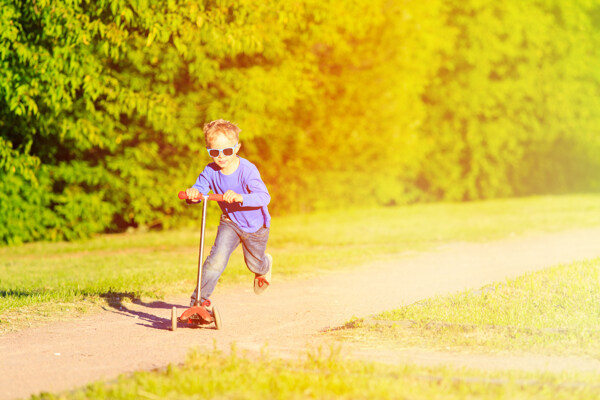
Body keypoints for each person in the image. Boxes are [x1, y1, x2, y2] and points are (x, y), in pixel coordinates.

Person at [185, 119, 272, 308]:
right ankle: (198, 303)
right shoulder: (210, 171)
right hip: (230, 222)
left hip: (255, 226)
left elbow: (264, 197)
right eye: (214, 152)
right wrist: (193, 195)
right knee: (215, 260)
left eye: (226, 151)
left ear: (237, 148)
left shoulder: (247, 170)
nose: (221, 156)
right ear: (209, 150)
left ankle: (264, 266)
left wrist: (241, 197)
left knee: (254, 264)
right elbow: (199, 190)